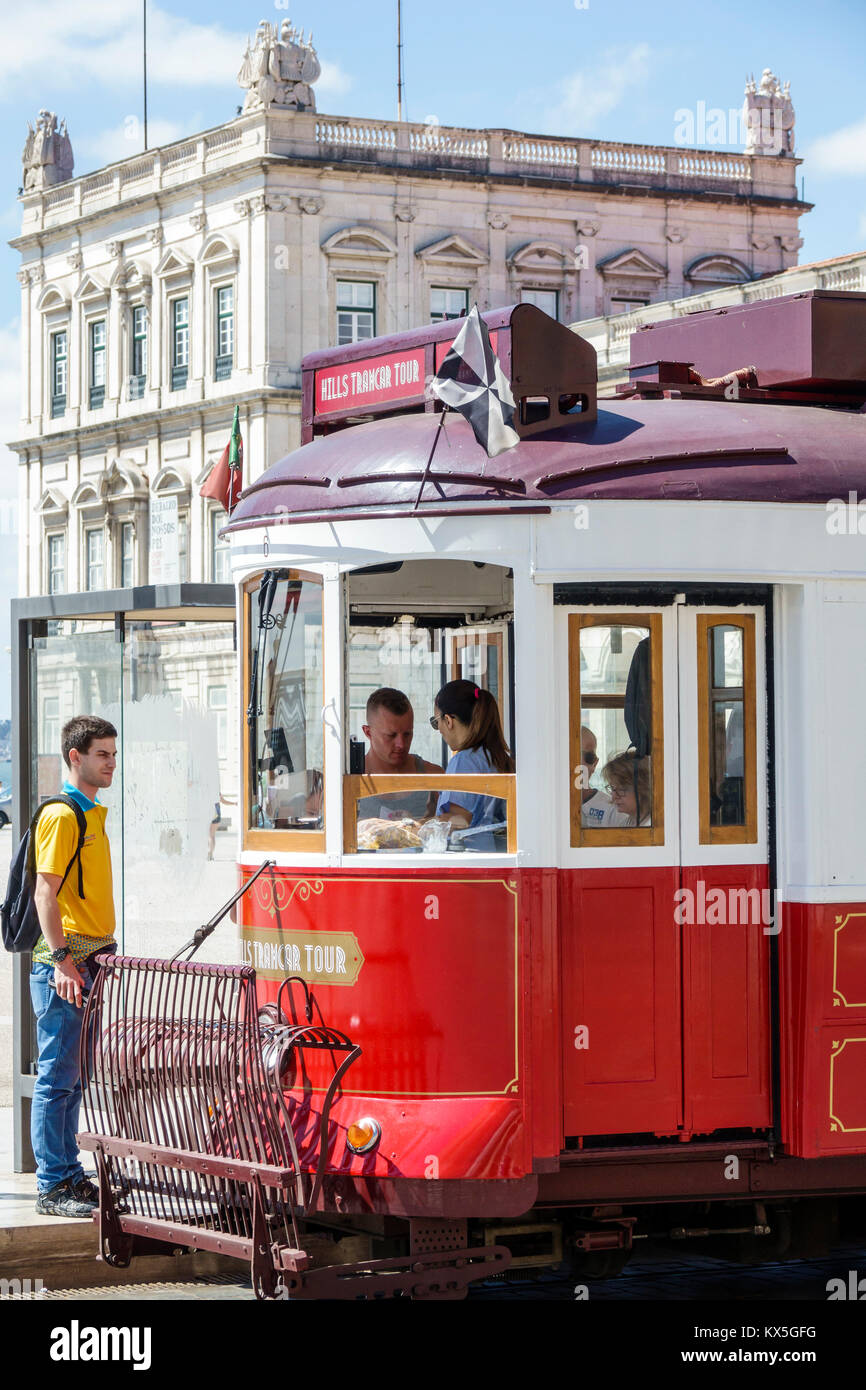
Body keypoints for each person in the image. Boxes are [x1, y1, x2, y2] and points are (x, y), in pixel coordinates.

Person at [30, 715, 118, 1218]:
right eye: (101, 754)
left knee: (73, 1075)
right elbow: (47, 892)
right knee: (58, 1076)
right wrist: (64, 961)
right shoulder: (64, 816)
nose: (110, 763)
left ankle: (69, 1175)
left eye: (112, 753)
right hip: (67, 964)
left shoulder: (91, 813)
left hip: (91, 958)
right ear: (75, 758)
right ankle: (52, 1184)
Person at [432, 680, 513, 849]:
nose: (438, 729)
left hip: (470, 857)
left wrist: (418, 826)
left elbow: (458, 821)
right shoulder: (498, 757)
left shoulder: (464, 761)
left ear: (448, 720)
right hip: (495, 852)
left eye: (436, 721)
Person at [358, 688, 442, 820]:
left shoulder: (434, 776)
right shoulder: (349, 781)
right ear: (368, 733)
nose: (401, 744)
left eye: (407, 734)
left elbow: (455, 830)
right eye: (391, 735)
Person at [579, 725, 631, 828]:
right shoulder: (548, 805)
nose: (579, 763)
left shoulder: (615, 810)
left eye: (588, 757)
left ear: (595, 763)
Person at [602, 751, 653, 827]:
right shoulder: (625, 824)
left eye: (621, 788)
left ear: (643, 787)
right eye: (613, 788)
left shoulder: (655, 827)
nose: (614, 796)